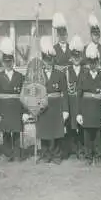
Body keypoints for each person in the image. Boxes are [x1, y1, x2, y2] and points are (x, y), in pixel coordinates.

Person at [0, 37, 29, 162]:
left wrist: (25, 112)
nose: (8, 63)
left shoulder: (20, 76)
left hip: (16, 109)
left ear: (13, 61)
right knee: (6, 133)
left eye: (10, 61)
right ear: (2, 62)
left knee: (17, 132)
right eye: (5, 61)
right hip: (4, 109)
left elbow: (24, 96)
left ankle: (17, 154)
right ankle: (8, 154)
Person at [37, 36, 70, 164]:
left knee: (56, 132)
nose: (47, 62)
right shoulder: (38, 74)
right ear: (43, 60)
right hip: (43, 106)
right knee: (44, 131)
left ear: (53, 60)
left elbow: (65, 93)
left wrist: (65, 110)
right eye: (45, 59)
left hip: (56, 107)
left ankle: (56, 156)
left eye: (49, 59)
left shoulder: (60, 74)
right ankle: (45, 155)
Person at [76, 43, 101, 165]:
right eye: (91, 62)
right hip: (86, 111)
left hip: (98, 111)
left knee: (98, 136)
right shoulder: (83, 76)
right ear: (88, 62)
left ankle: (98, 156)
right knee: (87, 135)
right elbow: (79, 96)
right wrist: (79, 113)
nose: (93, 64)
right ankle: (88, 157)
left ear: (98, 61)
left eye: (95, 61)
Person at [66, 35, 86, 159]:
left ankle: (82, 149)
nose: (76, 59)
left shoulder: (86, 70)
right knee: (71, 127)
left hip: (82, 102)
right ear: (71, 57)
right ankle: (73, 149)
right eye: (74, 56)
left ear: (81, 57)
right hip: (71, 102)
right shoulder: (67, 71)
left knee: (82, 127)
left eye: (78, 56)